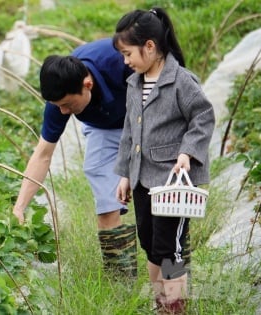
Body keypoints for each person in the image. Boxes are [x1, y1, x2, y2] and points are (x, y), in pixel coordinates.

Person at [113, 7, 215, 313]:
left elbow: (203, 116)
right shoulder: (134, 84)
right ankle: (160, 303)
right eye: (121, 55)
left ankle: (175, 305)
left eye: (128, 53)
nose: (125, 61)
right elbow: (129, 131)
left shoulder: (180, 80)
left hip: (173, 182)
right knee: (149, 242)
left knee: (169, 249)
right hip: (144, 179)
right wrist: (125, 174)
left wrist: (187, 152)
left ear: (150, 46)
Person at [12, 38, 137, 277]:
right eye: (58, 106)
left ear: (87, 84)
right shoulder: (59, 101)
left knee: (154, 199)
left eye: (68, 104)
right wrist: (19, 208)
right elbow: (43, 155)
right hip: (104, 128)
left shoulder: (119, 61)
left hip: (147, 117)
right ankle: (122, 281)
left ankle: (170, 280)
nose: (63, 112)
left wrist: (130, 170)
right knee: (105, 198)